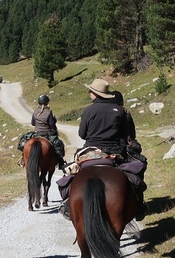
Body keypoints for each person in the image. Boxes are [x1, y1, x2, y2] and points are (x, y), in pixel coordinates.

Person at [62, 78, 147, 220]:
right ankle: (138, 205)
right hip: (115, 152)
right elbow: (127, 135)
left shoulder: (88, 110)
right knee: (136, 172)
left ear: (96, 94)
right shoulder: (120, 110)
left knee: (70, 172)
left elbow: (82, 134)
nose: (89, 93)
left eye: (91, 91)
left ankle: (66, 206)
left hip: (90, 152)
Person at [30, 94, 66, 170]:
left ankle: (23, 159)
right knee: (59, 145)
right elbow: (52, 124)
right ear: (46, 102)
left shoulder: (35, 111)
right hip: (47, 134)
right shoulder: (49, 112)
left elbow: (33, 123)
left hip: (36, 134)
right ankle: (60, 162)